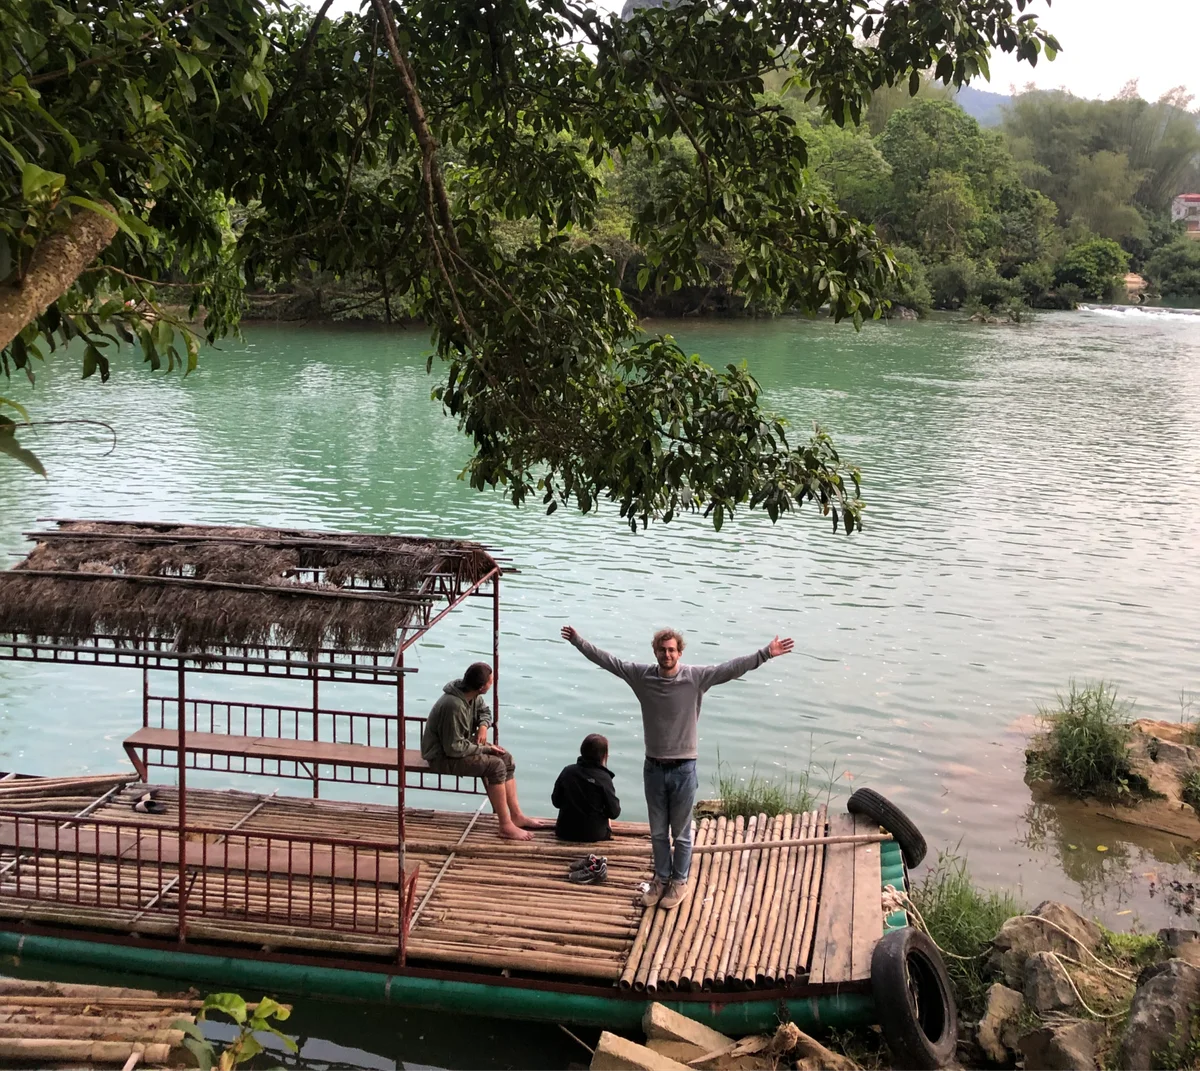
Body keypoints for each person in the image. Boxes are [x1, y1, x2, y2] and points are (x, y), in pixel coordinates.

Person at [560, 625, 793, 910]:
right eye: (662, 650)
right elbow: (608, 661)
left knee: (681, 833)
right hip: (653, 767)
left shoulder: (696, 678)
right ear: (655, 652)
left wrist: (765, 654)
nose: (667, 654)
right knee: (658, 832)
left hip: (683, 768)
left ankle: (679, 881)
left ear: (680, 652)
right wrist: (578, 641)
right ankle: (661, 879)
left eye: (672, 650)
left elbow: (731, 668)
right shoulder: (641, 676)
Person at [420, 661, 545, 841]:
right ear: (481, 687)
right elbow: (454, 748)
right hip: (442, 757)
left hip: (458, 748)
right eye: (490, 680)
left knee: (506, 759)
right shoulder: (453, 705)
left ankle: (516, 816)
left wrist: (483, 726)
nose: (492, 682)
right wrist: (486, 748)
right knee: (495, 766)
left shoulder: (472, 695)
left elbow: (485, 711)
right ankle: (505, 825)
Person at [552, 733, 621, 842]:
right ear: (604, 755)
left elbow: (556, 802)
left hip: (564, 832)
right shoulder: (604, 778)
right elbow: (614, 813)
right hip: (594, 835)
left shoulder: (567, 771)